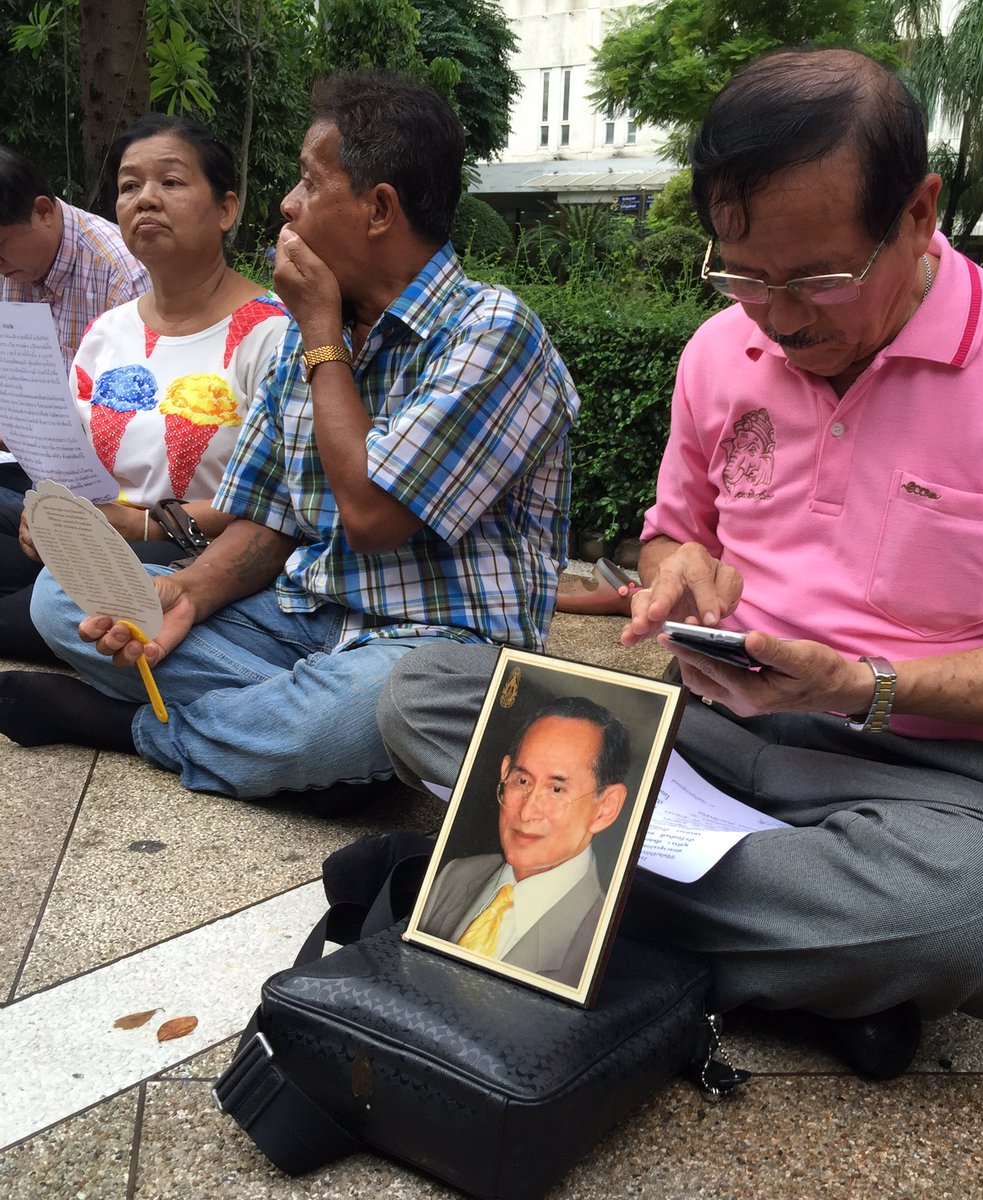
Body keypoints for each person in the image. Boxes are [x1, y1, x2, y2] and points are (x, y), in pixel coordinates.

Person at [377, 47, 983, 1078]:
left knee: (980, 911)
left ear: (919, 213)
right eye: (743, 274)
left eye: (820, 279)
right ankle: (811, 974)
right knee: (421, 693)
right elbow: (672, 534)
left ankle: (576, 906)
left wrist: (870, 685)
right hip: (700, 728)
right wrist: (678, 570)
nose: (782, 317)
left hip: (924, 774)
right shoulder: (719, 353)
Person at [0, 72, 578, 809]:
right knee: (63, 597)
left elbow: (371, 518)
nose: (289, 205)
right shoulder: (310, 329)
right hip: (303, 617)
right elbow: (268, 520)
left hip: (442, 648)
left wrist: (321, 338)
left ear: (378, 208)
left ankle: (145, 729)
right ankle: (299, 746)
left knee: (391, 706)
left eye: (309, 182)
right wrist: (184, 592)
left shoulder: (491, 332)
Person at [0, 115, 289, 664]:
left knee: (46, 605)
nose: (145, 199)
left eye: (171, 182)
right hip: (93, 543)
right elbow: (68, 460)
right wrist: (48, 516)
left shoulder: (271, 336)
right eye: (130, 186)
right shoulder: (108, 331)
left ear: (226, 209)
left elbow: (278, 508)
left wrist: (140, 523)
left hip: (184, 554)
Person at [418, 696, 630, 987]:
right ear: (504, 773)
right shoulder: (456, 875)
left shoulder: (597, 939)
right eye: (522, 781)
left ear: (606, 808)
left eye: (557, 789)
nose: (527, 811)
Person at [0, 145, 149, 500]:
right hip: (29, 467)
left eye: (0, 244)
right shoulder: (12, 266)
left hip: (114, 495)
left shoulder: (122, 274)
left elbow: (143, 420)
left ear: (43, 211)